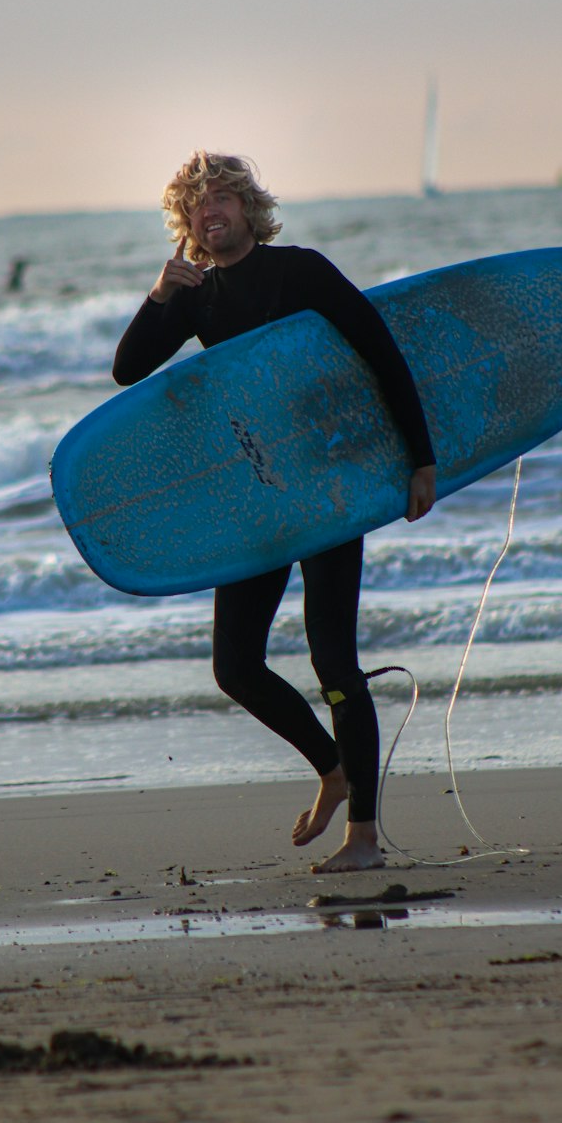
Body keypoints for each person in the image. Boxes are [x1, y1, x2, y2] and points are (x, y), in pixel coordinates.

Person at [113, 151, 436, 872]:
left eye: (223, 196)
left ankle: (363, 838)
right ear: (188, 225)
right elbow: (128, 369)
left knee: (333, 659)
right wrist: (159, 296)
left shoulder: (302, 271)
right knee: (235, 665)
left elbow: (381, 352)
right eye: (197, 204)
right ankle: (331, 768)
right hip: (260, 495)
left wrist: (420, 459)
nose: (211, 210)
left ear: (248, 208)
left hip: (326, 487)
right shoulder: (196, 296)